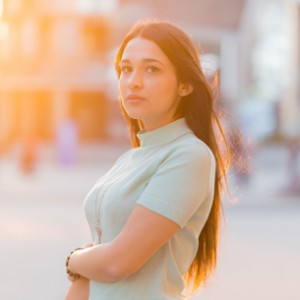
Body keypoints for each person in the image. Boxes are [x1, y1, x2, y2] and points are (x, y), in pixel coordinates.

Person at [65, 19, 230, 300]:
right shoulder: (129, 159)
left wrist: (74, 259)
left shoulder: (189, 155)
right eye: (125, 69)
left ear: (185, 85)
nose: (133, 82)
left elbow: (117, 263)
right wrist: (87, 262)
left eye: (151, 69)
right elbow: (99, 267)